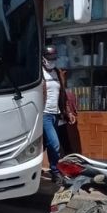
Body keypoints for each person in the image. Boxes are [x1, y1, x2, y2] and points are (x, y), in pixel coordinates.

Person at [42, 45, 76, 185]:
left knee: (48, 144)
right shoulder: (40, 74)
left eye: (54, 58)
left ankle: (51, 172)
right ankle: (55, 172)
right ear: (43, 59)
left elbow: (63, 94)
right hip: (44, 115)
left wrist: (67, 111)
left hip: (56, 114)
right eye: (50, 58)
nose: (52, 61)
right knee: (55, 144)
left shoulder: (57, 73)